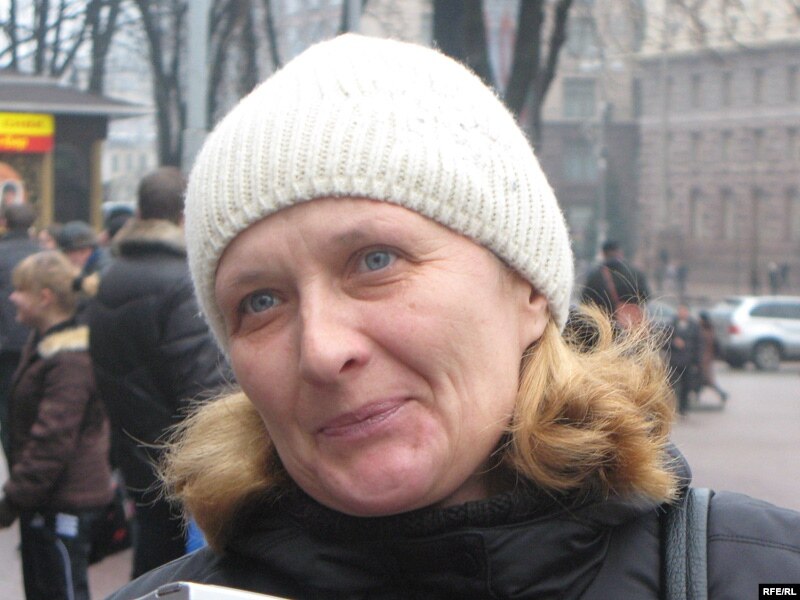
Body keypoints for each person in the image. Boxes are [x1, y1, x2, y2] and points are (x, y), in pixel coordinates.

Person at [109, 35, 800, 600]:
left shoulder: (762, 573)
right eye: (260, 302)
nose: (320, 350)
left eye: (375, 260)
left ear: (527, 288)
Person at [87, 167, 228, 578]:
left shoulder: (113, 275)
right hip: (181, 459)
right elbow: (205, 389)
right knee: (182, 566)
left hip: (136, 447)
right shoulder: (181, 281)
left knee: (152, 560)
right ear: (186, 216)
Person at [0, 251, 113, 600]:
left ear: (44, 297)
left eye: (20, 290)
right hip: (47, 498)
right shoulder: (45, 344)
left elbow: (52, 439)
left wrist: (13, 499)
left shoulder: (68, 360)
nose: (12, 297)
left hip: (65, 500)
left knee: (62, 589)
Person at [0, 203, 40, 460]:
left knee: (7, 405)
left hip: (5, 344)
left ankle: (15, 459)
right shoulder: (46, 254)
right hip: (39, 339)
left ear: (4, 222)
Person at [581, 240, 651, 327]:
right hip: (632, 325)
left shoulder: (595, 276)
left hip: (605, 326)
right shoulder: (635, 273)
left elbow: (585, 302)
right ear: (620, 252)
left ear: (603, 254)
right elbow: (646, 296)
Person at [666, 304, 704, 415]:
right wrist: (674, 343)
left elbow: (698, 344)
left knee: (686, 385)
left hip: (688, 361)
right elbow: (664, 341)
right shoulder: (672, 324)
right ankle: (672, 407)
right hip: (674, 361)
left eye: (684, 311)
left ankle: (683, 407)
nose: (682, 313)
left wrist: (696, 361)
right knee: (672, 385)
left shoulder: (694, 326)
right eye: (680, 311)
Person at [698, 311, 728, 403]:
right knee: (703, 379)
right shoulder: (710, 329)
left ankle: (722, 393)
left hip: (705, 359)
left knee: (707, 380)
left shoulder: (704, 331)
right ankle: (696, 396)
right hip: (707, 358)